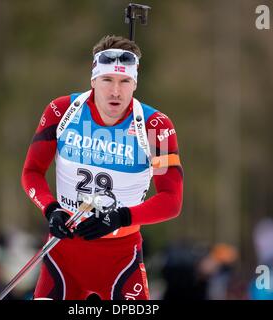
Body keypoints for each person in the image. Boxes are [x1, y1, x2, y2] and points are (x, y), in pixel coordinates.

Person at [21, 35, 184, 300]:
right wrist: (51, 210)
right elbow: (31, 173)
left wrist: (121, 217)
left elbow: (171, 201)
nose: (115, 91)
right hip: (64, 253)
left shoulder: (155, 127)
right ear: (93, 80)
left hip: (120, 258)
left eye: (125, 81)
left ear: (135, 83)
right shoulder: (62, 111)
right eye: (107, 80)